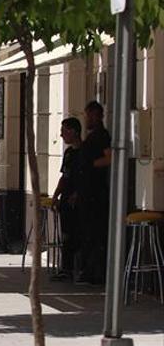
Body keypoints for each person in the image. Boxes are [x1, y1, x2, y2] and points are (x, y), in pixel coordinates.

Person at [77, 100, 112, 284]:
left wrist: (91, 166)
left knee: (94, 233)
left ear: (97, 116)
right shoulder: (92, 136)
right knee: (88, 232)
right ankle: (89, 270)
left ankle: (95, 273)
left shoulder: (102, 136)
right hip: (88, 191)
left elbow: (109, 158)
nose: (87, 119)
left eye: (89, 115)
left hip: (95, 194)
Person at [51, 117, 85, 281]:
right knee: (65, 234)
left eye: (64, 131)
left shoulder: (85, 152)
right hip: (66, 198)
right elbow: (64, 176)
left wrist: (78, 193)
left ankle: (79, 268)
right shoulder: (69, 153)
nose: (61, 134)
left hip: (79, 201)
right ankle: (66, 268)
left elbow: (87, 177)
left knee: (78, 233)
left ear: (73, 132)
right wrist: (56, 194)